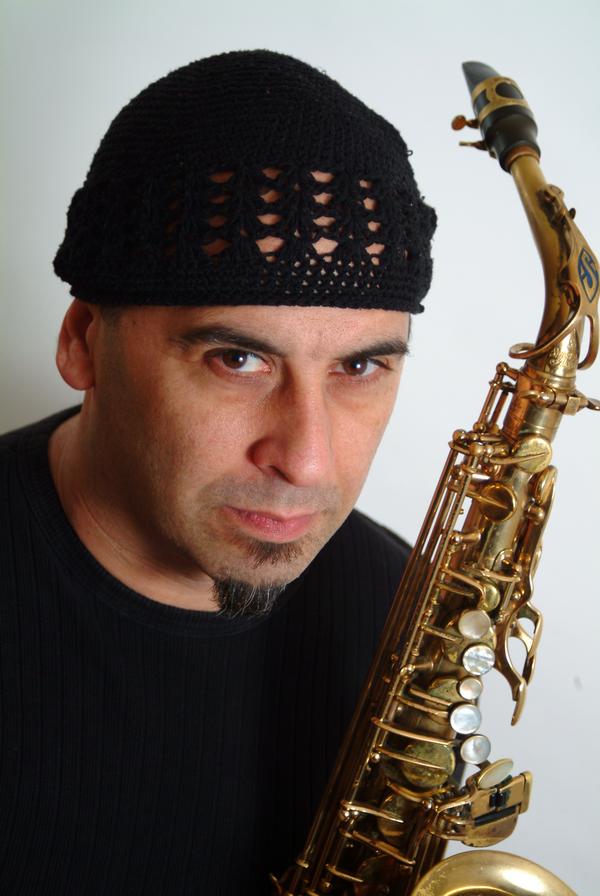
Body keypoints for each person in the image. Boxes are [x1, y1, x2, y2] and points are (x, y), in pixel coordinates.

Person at [0, 50, 435, 894]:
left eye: (359, 367)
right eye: (238, 358)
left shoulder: (402, 610)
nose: (306, 461)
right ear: (84, 341)